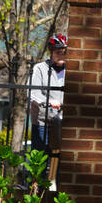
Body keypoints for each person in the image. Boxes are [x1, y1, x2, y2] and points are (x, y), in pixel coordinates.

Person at [27, 33, 67, 185]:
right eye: (58, 52)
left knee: (61, 163)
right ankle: (37, 192)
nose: (61, 55)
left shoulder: (70, 70)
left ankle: (56, 195)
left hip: (62, 124)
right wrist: (49, 102)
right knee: (40, 162)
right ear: (51, 52)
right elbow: (32, 93)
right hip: (43, 123)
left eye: (64, 52)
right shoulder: (40, 69)